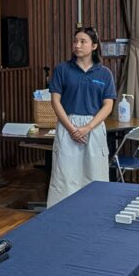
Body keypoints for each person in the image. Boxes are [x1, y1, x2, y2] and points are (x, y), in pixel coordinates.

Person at [46, 26, 116, 207]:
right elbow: (55, 101)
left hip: (93, 127)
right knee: (64, 176)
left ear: (94, 46)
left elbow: (108, 105)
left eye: (83, 41)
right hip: (67, 125)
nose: (77, 45)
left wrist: (87, 128)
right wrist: (72, 129)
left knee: (95, 174)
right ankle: (60, 216)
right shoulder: (62, 69)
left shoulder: (104, 73)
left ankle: (95, 214)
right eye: (75, 41)